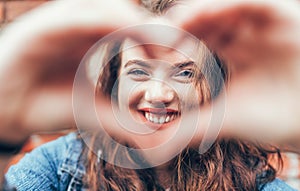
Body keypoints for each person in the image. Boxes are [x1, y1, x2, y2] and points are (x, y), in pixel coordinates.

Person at [0, 0, 299, 190]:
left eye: (185, 73)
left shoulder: (255, 184)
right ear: (112, 82)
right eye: (138, 71)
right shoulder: (60, 166)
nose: (158, 95)